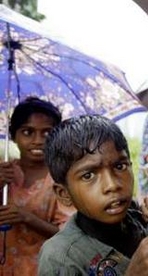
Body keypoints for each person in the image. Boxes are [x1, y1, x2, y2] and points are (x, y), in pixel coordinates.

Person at [38, 115, 148, 275]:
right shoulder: (60, 258)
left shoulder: (137, 219)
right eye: (88, 175)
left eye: (120, 166)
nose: (112, 185)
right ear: (64, 193)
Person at [0, 97, 75, 275]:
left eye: (47, 133)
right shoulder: (5, 172)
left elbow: (70, 236)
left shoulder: (61, 179)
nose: (37, 141)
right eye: (27, 132)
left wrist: (26, 218)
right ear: (13, 135)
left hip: (42, 269)